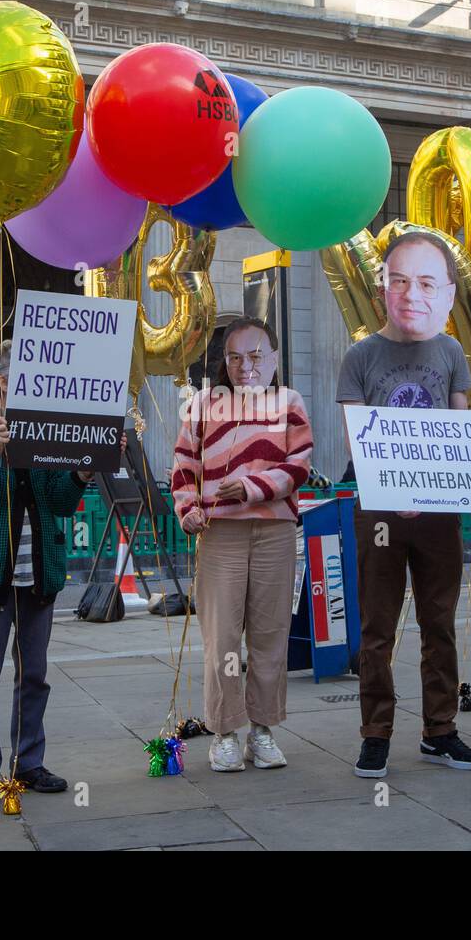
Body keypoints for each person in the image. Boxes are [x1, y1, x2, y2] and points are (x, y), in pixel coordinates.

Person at [337, 230, 471, 779]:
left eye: (425, 281)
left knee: (439, 623)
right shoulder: (360, 355)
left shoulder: (449, 351)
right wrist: (395, 489)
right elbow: (357, 439)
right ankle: (375, 733)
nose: (410, 292)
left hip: (438, 511)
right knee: (378, 628)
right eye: (399, 280)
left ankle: (440, 731)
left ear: (445, 293)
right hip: (379, 510)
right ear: (383, 288)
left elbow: (460, 424)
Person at [0, 340, 91, 804]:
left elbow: (61, 502)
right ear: (4, 383)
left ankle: (28, 762)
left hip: (40, 574)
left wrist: (84, 472)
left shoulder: (47, 429)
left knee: (34, 675)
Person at [172, 316, 314, 772]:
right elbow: (183, 463)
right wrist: (188, 507)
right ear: (224, 362)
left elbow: (300, 466)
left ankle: (263, 730)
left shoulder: (289, 402)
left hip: (274, 530)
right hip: (222, 533)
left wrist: (253, 487)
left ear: (273, 359)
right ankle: (225, 732)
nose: (245, 366)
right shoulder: (201, 405)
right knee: (222, 639)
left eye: (255, 356)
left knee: (271, 636)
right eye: (235, 357)